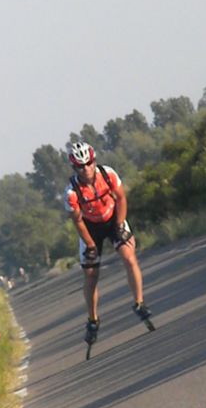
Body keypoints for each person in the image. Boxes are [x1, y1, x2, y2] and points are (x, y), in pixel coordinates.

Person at [63, 140, 152, 345]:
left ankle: (139, 303)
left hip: (113, 218)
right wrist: (90, 245)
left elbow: (121, 198)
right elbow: (77, 221)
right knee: (92, 275)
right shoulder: (71, 192)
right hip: (90, 228)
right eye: (80, 166)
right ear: (74, 167)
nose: (86, 169)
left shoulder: (108, 174)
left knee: (129, 257)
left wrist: (120, 224)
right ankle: (93, 319)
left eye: (89, 163)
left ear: (94, 161)